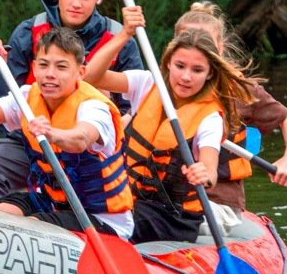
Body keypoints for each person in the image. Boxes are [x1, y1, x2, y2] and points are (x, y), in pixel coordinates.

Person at [0, 0, 143, 207]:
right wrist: (34, 137)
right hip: (36, 140)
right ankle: (17, 225)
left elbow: (135, 110)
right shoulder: (29, 32)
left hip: (91, 149)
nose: (76, 4)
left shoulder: (120, 40)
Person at [84, 13, 256, 243]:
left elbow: (210, 167)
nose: (186, 77)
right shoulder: (147, 84)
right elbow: (91, 77)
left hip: (175, 216)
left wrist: (204, 173)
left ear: (209, 74)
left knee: (113, 216)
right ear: (167, 63)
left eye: (197, 70)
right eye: (180, 66)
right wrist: (124, 34)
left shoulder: (209, 117)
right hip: (134, 199)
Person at [0, 27, 135, 236]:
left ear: (80, 72)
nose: (50, 74)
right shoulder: (26, 97)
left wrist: (52, 134)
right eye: (43, 65)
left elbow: (81, 138)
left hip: (100, 217)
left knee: (32, 226)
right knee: (3, 213)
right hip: (52, 201)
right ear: (34, 67)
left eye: (61, 67)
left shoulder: (94, 106)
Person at [171, 2, 287, 210]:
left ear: (219, 49)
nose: (195, 48)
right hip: (166, 196)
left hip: (218, 201)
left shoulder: (240, 91)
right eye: (186, 42)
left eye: (206, 45)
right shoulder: (158, 87)